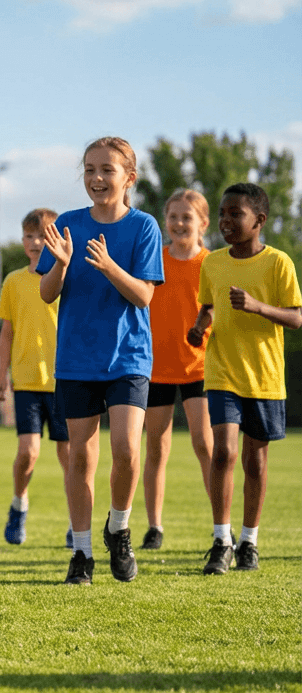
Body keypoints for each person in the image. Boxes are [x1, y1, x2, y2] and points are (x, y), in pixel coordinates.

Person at [38, 136, 163, 585]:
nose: (96, 178)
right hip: (75, 360)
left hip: (128, 358)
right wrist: (61, 264)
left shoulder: (144, 226)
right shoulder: (67, 224)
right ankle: (82, 554)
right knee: (79, 460)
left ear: (128, 177)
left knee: (128, 451)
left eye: (107, 170)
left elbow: (144, 295)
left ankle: (120, 528)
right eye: (89, 169)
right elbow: (47, 293)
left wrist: (110, 266)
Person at [189, 183, 301, 575]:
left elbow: (296, 317)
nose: (226, 221)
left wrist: (256, 306)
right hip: (222, 372)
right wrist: (199, 327)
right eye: (223, 213)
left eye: (235, 213)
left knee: (254, 461)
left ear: (259, 220)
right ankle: (222, 540)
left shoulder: (278, 263)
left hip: (265, 377)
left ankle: (249, 541)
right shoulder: (212, 263)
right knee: (224, 452)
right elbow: (208, 307)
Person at [141, 189, 214, 550]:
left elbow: (218, 308)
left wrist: (205, 327)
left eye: (187, 217)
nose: (179, 223)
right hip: (155, 368)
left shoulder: (211, 263)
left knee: (206, 445)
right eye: (173, 217)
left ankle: (222, 525)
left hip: (200, 368)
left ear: (203, 223)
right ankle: (154, 526)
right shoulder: (156, 259)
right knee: (156, 448)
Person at [0, 208, 71, 546]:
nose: (36, 242)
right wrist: (1, 374)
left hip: (65, 379)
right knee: (28, 452)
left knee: (71, 456)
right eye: (29, 236)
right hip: (25, 380)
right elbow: (7, 332)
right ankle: (18, 504)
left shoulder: (68, 277)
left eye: (44, 235)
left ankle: (75, 522)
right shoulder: (13, 281)